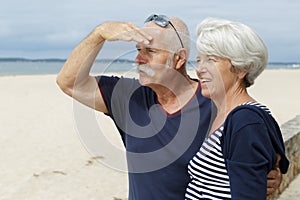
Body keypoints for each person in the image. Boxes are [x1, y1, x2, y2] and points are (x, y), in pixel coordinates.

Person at [56, 14, 282, 200]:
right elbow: (68, 81)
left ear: (179, 59)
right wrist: (100, 34)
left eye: (150, 51)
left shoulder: (216, 103)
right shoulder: (128, 97)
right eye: (137, 50)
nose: (138, 59)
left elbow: (255, 156)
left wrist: (270, 175)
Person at [185, 17, 289, 200]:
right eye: (199, 60)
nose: (200, 69)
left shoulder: (246, 122)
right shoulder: (223, 115)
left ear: (242, 69)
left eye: (211, 60)